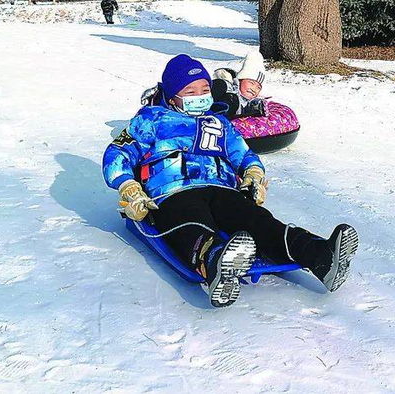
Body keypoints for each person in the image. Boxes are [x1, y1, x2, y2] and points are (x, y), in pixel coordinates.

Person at [102, 54, 358, 308]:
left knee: (258, 221)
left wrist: (254, 174)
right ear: (172, 97)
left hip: (223, 188)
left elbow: (243, 153)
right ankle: (214, 261)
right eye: (190, 91)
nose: (200, 95)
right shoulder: (152, 120)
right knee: (190, 221)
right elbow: (118, 153)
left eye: (204, 89)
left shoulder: (219, 123)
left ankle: (320, 256)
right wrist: (129, 186)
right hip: (174, 191)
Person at [211, 51, 267, 119]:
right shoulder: (224, 86)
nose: (254, 89)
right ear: (240, 80)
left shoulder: (251, 103)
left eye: (258, 87)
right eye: (251, 83)